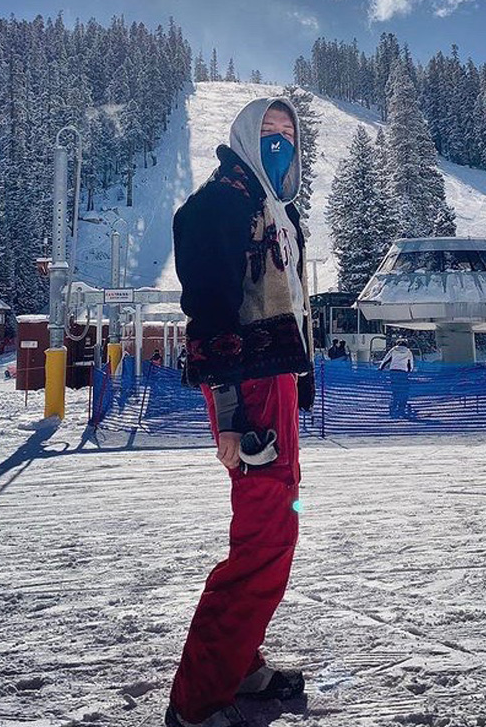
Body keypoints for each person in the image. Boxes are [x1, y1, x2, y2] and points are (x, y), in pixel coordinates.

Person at [168, 97, 315, 727]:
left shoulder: (273, 209)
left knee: (271, 522)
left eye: (289, 134)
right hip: (246, 387)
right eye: (269, 132)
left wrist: (297, 375)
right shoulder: (219, 203)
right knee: (266, 537)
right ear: (245, 139)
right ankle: (199, 700)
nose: (280, 142)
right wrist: (229, 410)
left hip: (271, 381)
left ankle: (239, 663)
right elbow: (210, 312)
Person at [379, 337, 414, 419]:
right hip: (403, 373)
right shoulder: (408, 351)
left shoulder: (394, 350)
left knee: (395, 390)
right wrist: (409, 372)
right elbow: (410, 363)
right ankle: (401, 408)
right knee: (403, 390)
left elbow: (386, 359)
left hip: (393, 372)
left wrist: (380, 368)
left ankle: (393, 407)